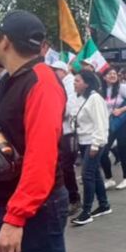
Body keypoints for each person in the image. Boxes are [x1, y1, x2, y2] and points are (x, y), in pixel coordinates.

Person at [0, 10, 70, 252]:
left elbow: (41, 158)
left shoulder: (42, 82)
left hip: (35, 209)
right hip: (2, 202)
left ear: (5, 41)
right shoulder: (8, 80)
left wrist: (16, 217)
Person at [69, 70, 112, 226]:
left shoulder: (95, 98)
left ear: (86, 83)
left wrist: (96, 144)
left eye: (77, 80)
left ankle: (86, 211)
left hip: (94, 142)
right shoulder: (81, 98)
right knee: (94, 174)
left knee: (87, 175)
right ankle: (104, 204)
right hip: (83, 141)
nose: (74, 83)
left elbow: (101, 123)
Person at [50, 61, 82, 216]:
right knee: (61, 166)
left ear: (62, 71)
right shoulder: (59, 84)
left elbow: (68, 108)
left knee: (66, 166)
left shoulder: (69, 83)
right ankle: (68, 197)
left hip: (68, 131)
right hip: (60, 130)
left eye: (55, 70)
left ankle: (74, 199)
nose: (53, 73)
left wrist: (52, 110)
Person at [100, 67, 126, 190]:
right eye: (109, 74)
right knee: (103, 151)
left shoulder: (123, 88)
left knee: (122, 149)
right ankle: (109, 178)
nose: (112, 75)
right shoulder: (101, 90)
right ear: (104, 77)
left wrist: (121, 110)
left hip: (123, 123)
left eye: (114, 73)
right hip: (108, 124)